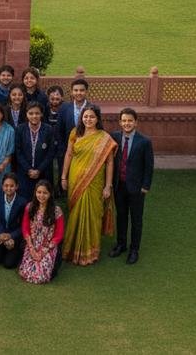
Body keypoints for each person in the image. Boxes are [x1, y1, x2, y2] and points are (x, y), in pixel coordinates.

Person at [61, 104, 116, 266]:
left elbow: (110, 163)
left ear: (97, 119)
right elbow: (69, 154)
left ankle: (90, 252)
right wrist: (63, 177)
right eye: (85, 117)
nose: (88, 119)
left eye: (92, 117)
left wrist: (108, 186)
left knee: (93, 214)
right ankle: (70, 250)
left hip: (95, 182)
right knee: (75, 213)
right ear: (81, 118)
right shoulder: (75, 133)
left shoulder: (104, 138)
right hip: (75, 179)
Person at [108, 107, 154, 265]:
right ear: (120, 122)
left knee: (136, 219)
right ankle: (121, 244)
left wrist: (145, 186)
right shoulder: (113, 137)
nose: (127, 123)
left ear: (136, 122)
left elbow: (149, 166)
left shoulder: (144, 141)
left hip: (136, 188)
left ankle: (134, 249)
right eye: (124, 120)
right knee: (121, 216)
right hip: (118, 185)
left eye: (130, 120)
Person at [18, 180, 65, 284]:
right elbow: (25, 228)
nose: (41, 195)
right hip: (32, 244)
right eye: (39, 192)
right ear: (35, 193)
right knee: (25, 272)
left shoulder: (57, 211)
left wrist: (44, 250)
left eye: (45, 193)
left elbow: (59, 234)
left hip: (49, 246)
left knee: (41, 276)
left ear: (50, 194)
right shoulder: (30, 207)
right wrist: (31, 247)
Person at [14, 102, 56, 200]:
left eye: (37, 113)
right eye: (31, 113)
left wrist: (39, 170)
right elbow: (18, 151)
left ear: (41, 114)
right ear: (26, 114)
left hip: (43, 172)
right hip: (24, 172)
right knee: (25, 199)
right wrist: (29, 169)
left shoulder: (48, 129)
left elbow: (51, 152)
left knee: (42, 199)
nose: (34, 116)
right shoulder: (20, 129)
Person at [0, 173, 27, 269]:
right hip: (0, 235)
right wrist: (1, 234)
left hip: (14, 236)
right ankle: (3, 249)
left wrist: (11, 236)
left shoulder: (23, 202)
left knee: (8, 264)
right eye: (6, 185)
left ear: (16, 186)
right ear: (2, 186)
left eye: (12, 186)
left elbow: (23, 225)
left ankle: (14, 251)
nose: (8, 188)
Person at [58, 78, 91, 149]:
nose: (78, 93)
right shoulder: (64, 108)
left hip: (87, 149)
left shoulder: (93, 108)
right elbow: (59, 132)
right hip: (68, 150)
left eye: (81, 90)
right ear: (71, 92)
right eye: (76, 90)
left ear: (86, 92)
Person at [46, 84, 65, 194]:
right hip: (48, 143)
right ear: (48, 98)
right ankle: (50, 188)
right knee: (50, 167)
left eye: (57, 98)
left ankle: (60, 188)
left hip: (61, 143)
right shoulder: (45, 109)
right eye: (52, 98)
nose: (55, 101)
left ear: (62, 98)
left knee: (60, 166)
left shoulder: (65, 110)